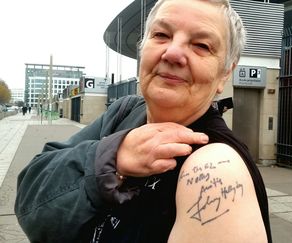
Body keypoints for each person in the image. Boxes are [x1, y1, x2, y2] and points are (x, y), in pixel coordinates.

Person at [15, 0, 272, 242]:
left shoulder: (215, 172)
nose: (172, 53)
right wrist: (112, 156)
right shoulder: (123, 113)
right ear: (142, 48)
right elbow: (30, 197)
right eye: (161, 35)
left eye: (201, 45)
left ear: (225, 73)